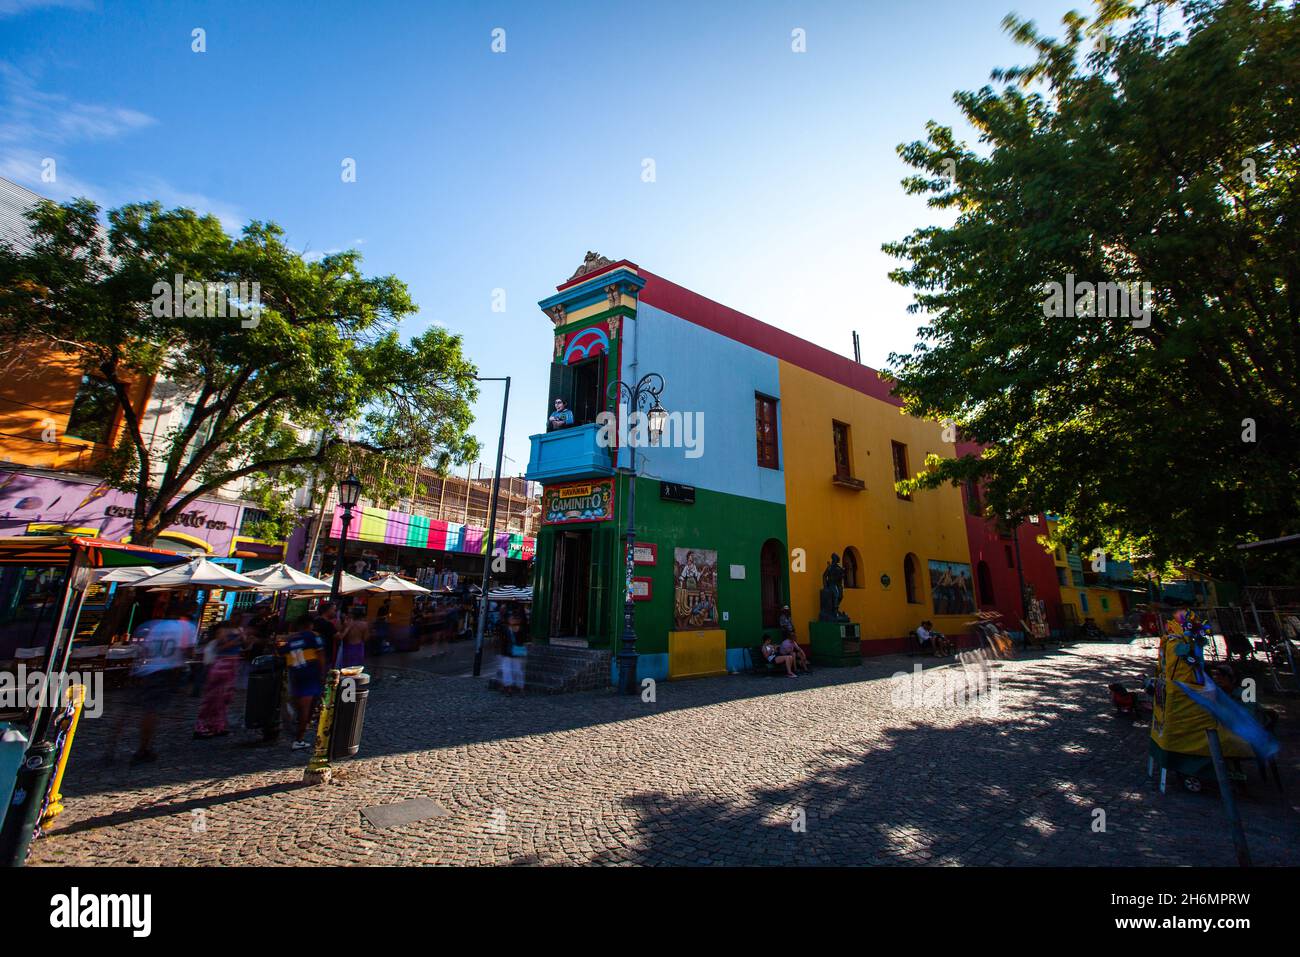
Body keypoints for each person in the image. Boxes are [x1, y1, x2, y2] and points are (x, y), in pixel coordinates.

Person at [127, 614, 198, 764]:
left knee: (137, 711)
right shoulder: (186, 627)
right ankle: (145, 747)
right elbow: (188, 652)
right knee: (156, 710)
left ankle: (117, 746)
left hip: (146, 670)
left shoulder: (154, 625)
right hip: (169, 671)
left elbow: (144, 649)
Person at [281, 615, 327, 751]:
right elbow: (321, 656)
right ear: (310, 625)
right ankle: (299, 738)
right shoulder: (314, 636)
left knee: (301, 705)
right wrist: (323, 673)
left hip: (295, 674)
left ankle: (299, 729)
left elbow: (282, 654)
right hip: (310, 674)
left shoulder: (290, 639)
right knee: (306, 707)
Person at [194, 622, 243, 738]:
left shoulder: (234, 631)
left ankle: (218, 726)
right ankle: (202, 727)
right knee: (213, 698)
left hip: (229, 666)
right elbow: (221, 646)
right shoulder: (224, 632)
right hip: (222, 666)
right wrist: (238, 639)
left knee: (224, 699)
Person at [778, 606, 811, 673]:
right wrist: (789, 632)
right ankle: (795, 669)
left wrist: (793, 630)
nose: (787, 611)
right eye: (786, 610)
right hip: (786, 633)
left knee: (798, 652)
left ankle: (805, 668)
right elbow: (783, 626)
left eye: (788, 610)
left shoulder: (789, 617)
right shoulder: (782, 617)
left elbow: (791, 624)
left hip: (790, 632)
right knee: (792, 652)